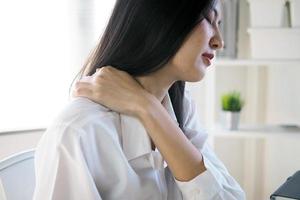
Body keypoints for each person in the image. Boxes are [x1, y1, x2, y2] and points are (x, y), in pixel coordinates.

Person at [33, 0, 246, 199]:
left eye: (219, 24)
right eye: (210, 20)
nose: (219, 42)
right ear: (162, 17)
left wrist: (146, 107)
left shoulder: (180, 107)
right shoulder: (78, 131)